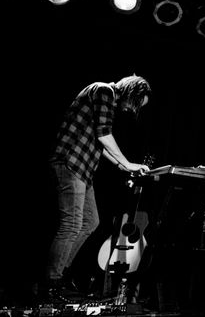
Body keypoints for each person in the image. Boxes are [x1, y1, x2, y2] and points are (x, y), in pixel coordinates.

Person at [43, 75, 152, 302]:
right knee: (71, 224)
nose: (131, 111)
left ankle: (60, 275)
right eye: (135, 104)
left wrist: (124, 166)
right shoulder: (104, 91)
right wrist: (129, 163)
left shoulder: (107, 100)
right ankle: (50, 283)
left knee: (90, 222)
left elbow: (100, 143)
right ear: (132, 93)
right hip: (70, 161)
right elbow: (104, 135)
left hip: (82, 168)